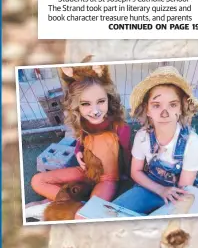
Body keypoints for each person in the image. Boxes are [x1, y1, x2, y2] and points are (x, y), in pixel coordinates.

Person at [30, 64, 131, 205]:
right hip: (85, 172)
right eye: (85, 104)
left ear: (109, 99)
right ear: (76, 106)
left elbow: (127, 152)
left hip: (107, 179)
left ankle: (71, 205)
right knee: (37, 181)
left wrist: (126, 174)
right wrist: (78, 151)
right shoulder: (83, 121)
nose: (95, 111)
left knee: (91, 208)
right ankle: (74, 204)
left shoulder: (119, 126)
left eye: (101, 101)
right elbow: (81, 141)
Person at [111, 66, 198, 215]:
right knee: (112, 213)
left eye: (173, 104)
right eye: (156, 105)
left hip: (179, 193)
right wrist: (160, 190)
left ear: (181, 108)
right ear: (147, 110)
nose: (165, 113)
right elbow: (135, 172)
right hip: (150, 187)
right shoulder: (142, 137)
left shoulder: (193, 143)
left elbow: (183, 188)